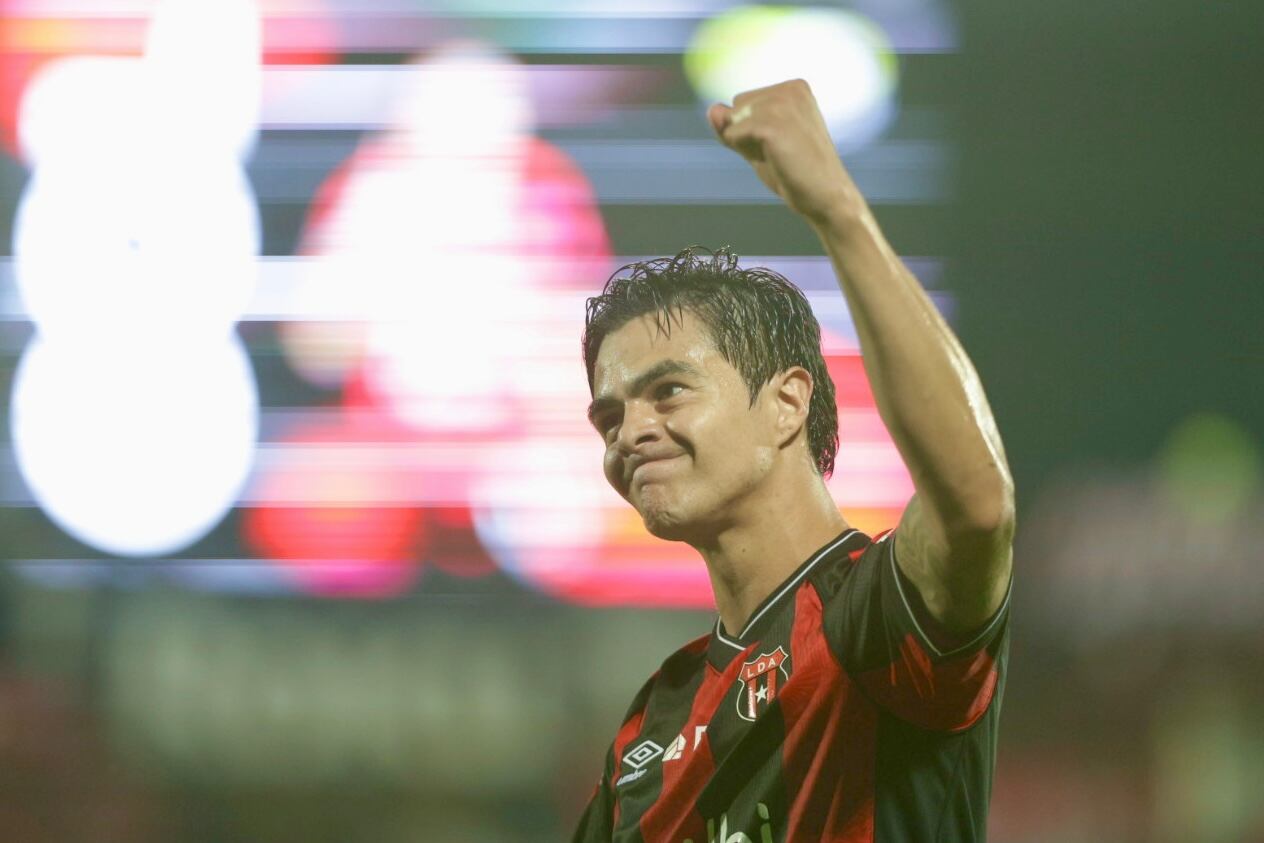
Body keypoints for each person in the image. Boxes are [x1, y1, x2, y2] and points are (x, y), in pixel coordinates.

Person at [572, 79, 1015, 842]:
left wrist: (835, 208)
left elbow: (977, 507)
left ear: (787, 402)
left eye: (669, 391)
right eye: (610, 414)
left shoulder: (875, 616)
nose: (629, 432)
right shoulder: (654, 719)